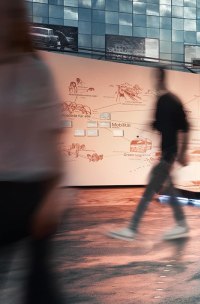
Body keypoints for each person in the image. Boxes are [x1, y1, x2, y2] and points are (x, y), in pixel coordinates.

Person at [0, 0, 66, 302]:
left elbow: (54, 134)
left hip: (32, 192)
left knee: (39, 289)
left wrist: (53, 194)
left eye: (10, 12)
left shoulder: (36, 70)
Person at [107, 67, 191, 241]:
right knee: (168, 189)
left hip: (169, 153)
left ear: (159, 78)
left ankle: (132, 228)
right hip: (169, 153)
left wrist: (182, 153)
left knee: (150, 189)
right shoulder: (169, 100)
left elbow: (184, 127)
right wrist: (181, 152)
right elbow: (178, 127)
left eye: (155, 77)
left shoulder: (166, 101)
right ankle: (181, 224)